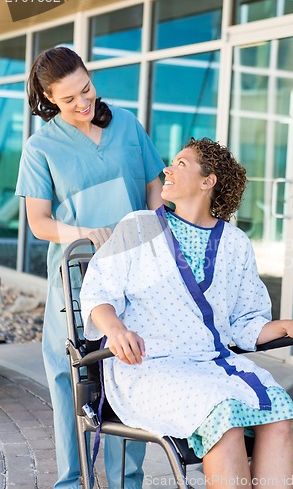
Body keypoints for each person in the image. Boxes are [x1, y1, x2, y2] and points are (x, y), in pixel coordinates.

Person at [80, 137, 293, 488]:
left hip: (211, 365)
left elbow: (244, 322)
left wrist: (285, 325)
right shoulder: (138, 226)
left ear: (208, 182)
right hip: (149, 367)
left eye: (180, 164)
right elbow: (99, 290)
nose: (167, 169)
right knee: (225, 414)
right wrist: (114, 329)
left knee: (280, 413)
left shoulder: (236, 244)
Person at [15, 46, 165, 488]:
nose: (84, 104)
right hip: (75, 278)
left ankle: (126, 482)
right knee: (70, 380)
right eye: (68, 100)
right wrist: (84, 232)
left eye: (87, 89)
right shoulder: (40, 147)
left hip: (136, 276)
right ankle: (70, 481)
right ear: (48, 100)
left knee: (130, 369)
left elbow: (153, 188)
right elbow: (39, 222)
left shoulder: (126, 124)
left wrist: (156, 230)